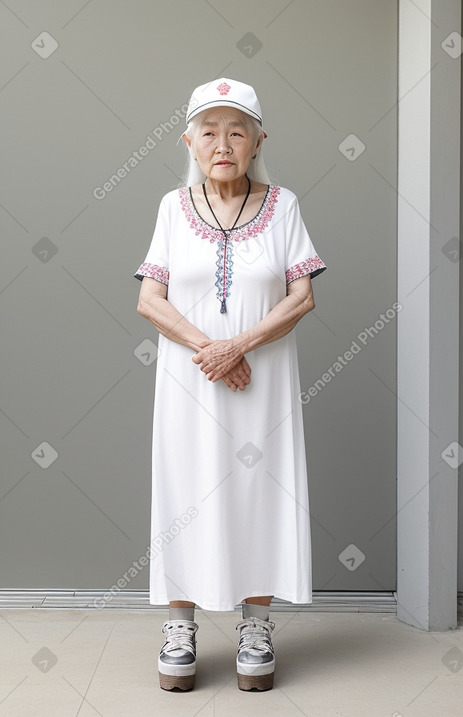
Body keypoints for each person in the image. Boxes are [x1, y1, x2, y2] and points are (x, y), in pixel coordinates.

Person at [134, 77, 326, 693]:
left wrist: (239, 346)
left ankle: (256, 625)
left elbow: (302, 295)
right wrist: (210, 350)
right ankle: (180, 628)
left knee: (259, 490)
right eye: (209, 131)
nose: (223, 143)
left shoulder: (284, 205)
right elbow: (149, 298)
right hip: (190, 381)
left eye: (237, 130)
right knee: (183, 488)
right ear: (189, 140)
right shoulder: (172, 206)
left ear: (258, 139)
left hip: (261, 380)